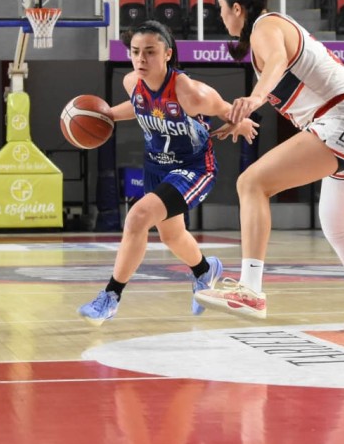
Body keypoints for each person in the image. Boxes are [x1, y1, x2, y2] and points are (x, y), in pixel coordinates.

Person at [194, 0, 344, 333]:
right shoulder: (268, 29)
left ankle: (251, 290)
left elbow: (276, 63)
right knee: (336, 225)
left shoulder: (264, 26)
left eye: (221, 8)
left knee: (251, 183)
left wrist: (256, 98)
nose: (220, 15)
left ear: (237, 8)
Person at [77, 20, 258, 324]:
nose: (141, 59)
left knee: (136, 217)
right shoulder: (132, 84)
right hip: (156, 168)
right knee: (172, 235)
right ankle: (204, 270)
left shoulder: (192, 93)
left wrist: (240, 122)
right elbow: (140, 107)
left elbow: (227, 109)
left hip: (193, 169)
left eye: (149, 52)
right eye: (135, 52)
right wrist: (105, 115)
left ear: (168, 54)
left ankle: (110, 296)